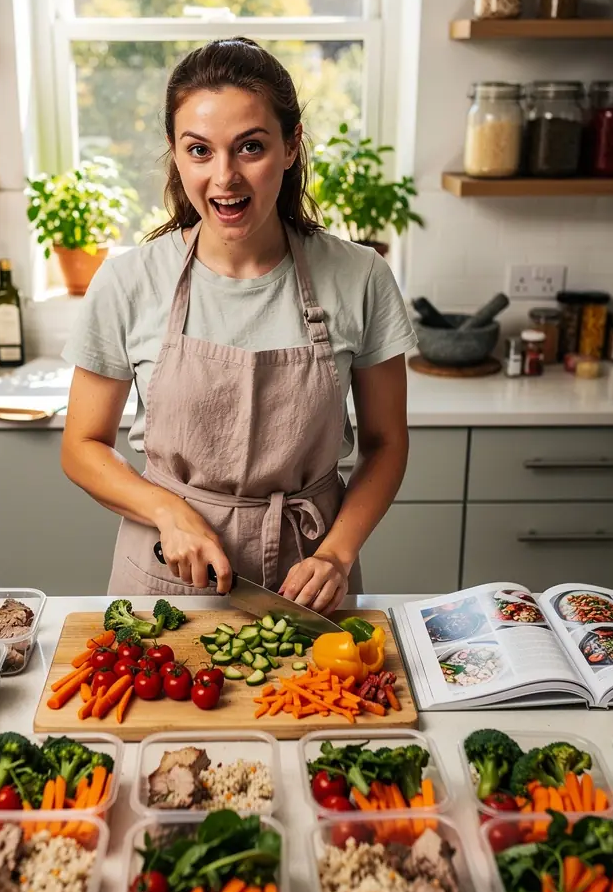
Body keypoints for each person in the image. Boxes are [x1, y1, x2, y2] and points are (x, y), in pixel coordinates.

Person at [61, 37, 416, 614]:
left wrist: (337, 553)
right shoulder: (129, 281)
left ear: (291, 145)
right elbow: (81, 445)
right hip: (165, 569)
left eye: (249, 147)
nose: (224, 177)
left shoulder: (360, 276)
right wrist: (167, 512)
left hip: (310, 576)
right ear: (175, 154)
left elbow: (386, 443)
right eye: (199, 150)